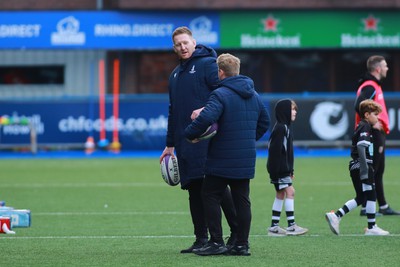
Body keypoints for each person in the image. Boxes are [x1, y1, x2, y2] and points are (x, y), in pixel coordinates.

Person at [159, 26, 238, 253]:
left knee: (216, 188)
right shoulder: (175, 74)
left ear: (194, 42)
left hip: (208, 139)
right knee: (194, 190)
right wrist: (169, 145)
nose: (182, 47)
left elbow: (224, 92)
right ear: (174, 48)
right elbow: (174, 112)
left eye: (185, 42)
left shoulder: (207, 64)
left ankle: (236, 233)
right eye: (178, 44)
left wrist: (206, 109)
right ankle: (201, 239)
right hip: (185, 143)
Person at [185, 53, 270, 256]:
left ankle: (216, 242)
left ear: (220, 72)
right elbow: (264, 122)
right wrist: (247, 140)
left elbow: (207, 117)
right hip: (245, 157)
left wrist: (190, 134)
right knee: (242, 200)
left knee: (210, 194)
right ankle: (242, 244)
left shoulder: (220, 94)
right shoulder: (254, 95)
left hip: (222, 156)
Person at [325, 99, 389, 236]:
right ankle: (372, 227)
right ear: (367, 115)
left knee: (361, 197)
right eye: (375, 114)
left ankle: (336, 216)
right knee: (371, 194)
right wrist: (365, 167)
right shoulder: (365, 126)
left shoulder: (362, 126)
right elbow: (361, 145)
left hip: (355, 165)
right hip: (362, 165)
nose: (377, 117)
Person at [354, 55, 400, 216]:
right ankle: (366, 207)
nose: (387, 68)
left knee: (378, 170)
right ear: (378, 69)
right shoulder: (370, 86)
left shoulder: (373, 85)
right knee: (372, 169)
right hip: (373, 134)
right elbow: (358, 105)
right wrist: (373, 123)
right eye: (385, 65)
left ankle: (383, 206)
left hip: (377, 132)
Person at [266, 99, 308, 237]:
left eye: (295, 109)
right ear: (284, 111)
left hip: (282, 170)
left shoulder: (285, 127)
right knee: (291, 192)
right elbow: (275, 151)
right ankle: (291, 226)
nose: (295, 112)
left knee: (281, 194)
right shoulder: (281, 128)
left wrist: (290, 170)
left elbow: (286, 152)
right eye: (292, 109)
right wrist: (281, 170)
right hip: (279, 170)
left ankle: (274, 227)